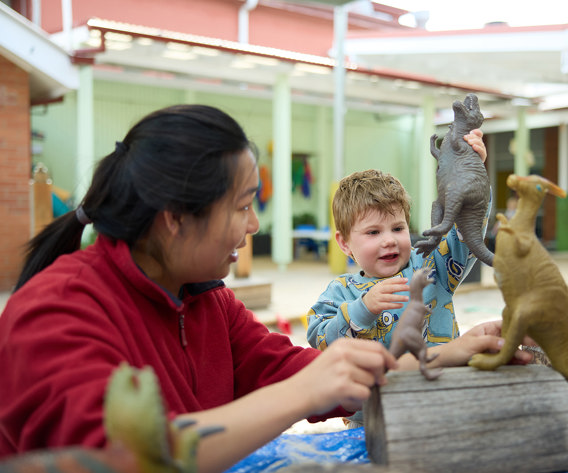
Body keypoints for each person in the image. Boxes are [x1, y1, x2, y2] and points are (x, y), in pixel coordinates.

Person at [0, 105, 529, 472]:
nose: (254, 227)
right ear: (175, 219)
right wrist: (302, 392)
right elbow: (115, 458)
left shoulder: (206, 300)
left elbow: (307, 370)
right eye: (242, 206)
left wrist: (449, 354)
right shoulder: (55, 313)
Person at [307, 131, 530, 427]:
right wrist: (363, 308)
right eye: (373, 232)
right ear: (344, 243)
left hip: (446, 402)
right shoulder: (340, 292)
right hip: (374, 421)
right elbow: (320, 342)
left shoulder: (430, 266)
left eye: (397, 228)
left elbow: (466, 233)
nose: (389, 240)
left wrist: (472, 175)